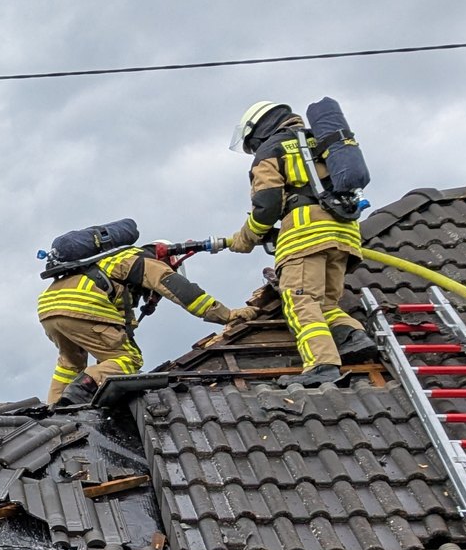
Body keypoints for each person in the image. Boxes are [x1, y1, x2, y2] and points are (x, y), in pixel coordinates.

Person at [222, 101, 375, 386]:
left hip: (305, 236)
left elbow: (267, 206)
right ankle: (353, 337)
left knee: (299, 301)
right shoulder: (319, 140)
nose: (253, 150)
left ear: (258, 131)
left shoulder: (271, 149)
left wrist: (246, 237)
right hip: (344, 232)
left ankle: (321, 365)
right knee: (325, 303)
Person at [38, 242, 248, 406]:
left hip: (49, 306)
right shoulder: (143, 260)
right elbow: (180, 290)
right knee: (129, 359)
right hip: (82, 305)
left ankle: (53, 408)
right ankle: (83, 388)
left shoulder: (105, 262)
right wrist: (227, 315)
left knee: (70, 363)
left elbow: (119, 319)